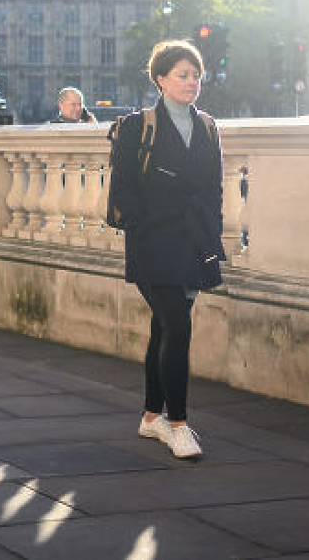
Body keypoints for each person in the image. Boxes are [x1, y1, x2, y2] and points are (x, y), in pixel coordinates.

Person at [106, 40, 226, 460]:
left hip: (194, 242)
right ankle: (178, 425)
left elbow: (215, 189)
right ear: (160, 79)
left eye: (196, 75)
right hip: (154, 243)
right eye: (182, 75)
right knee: (178, 327)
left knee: (164, 327)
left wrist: (212, 232)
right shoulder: (139, 126)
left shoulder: (209, 126)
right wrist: (144, 226)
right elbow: (122, 187)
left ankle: (151, 416)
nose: (192, 82)